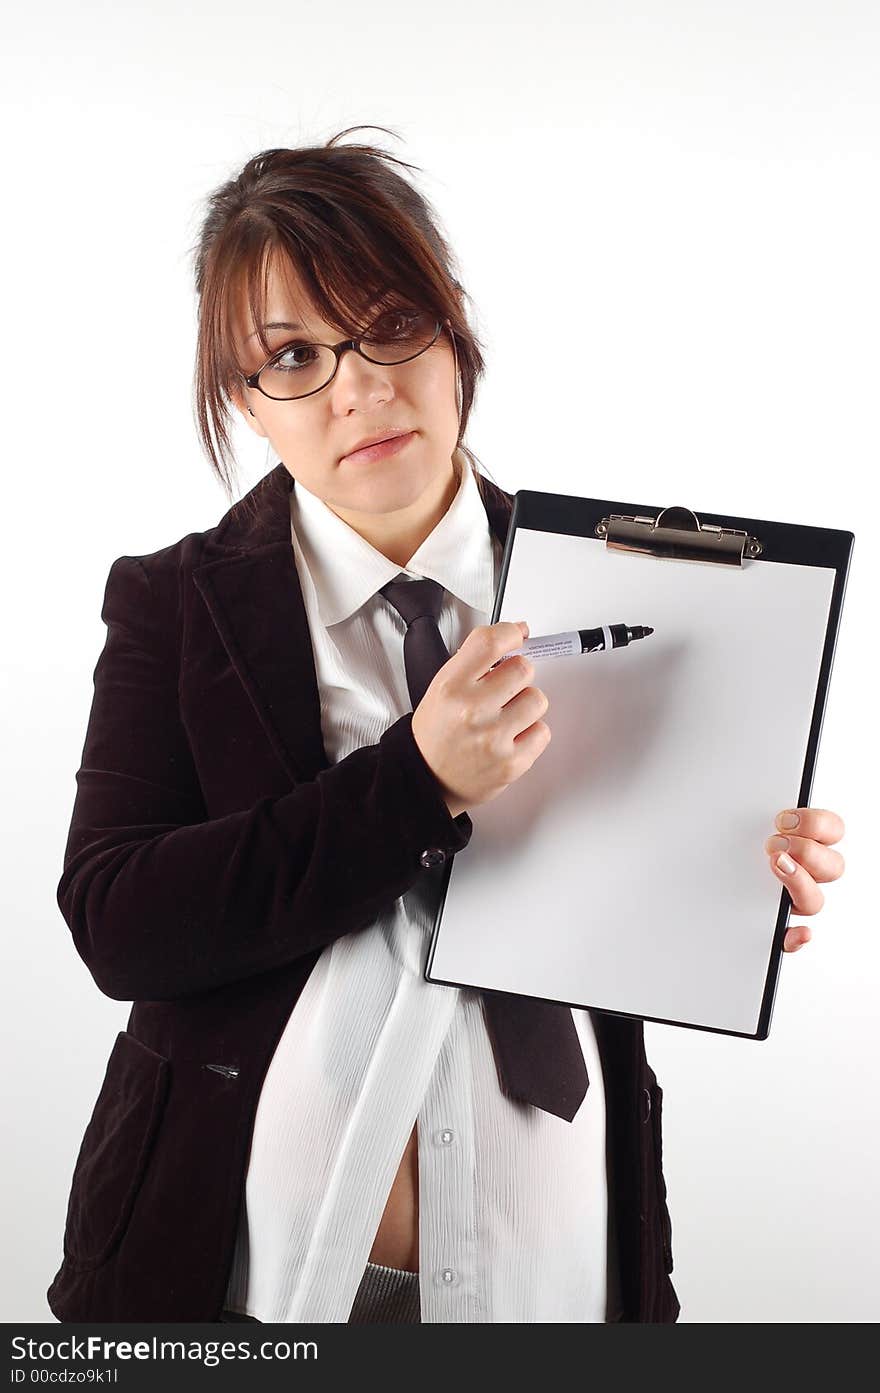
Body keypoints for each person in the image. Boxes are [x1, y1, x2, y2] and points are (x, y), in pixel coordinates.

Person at [47, 126, 846, 1325]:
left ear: (453, 321)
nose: (358, 386)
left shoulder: (618, 586)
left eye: (388, 326)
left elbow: (628, 904)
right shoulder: (177, 599)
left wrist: (732, 884)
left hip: (555, 1265)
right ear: (245, 402)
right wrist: (414, 779)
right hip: (249, 1269)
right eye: (294, 357)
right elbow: (119, 923)